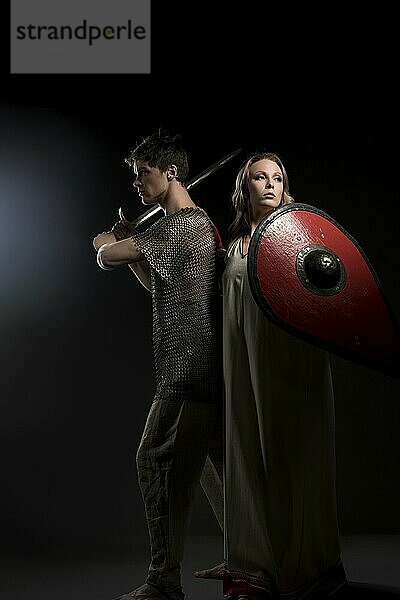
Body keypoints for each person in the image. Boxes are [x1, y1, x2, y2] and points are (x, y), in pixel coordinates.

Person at [92, 132, 224, 600]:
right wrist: (134, 244)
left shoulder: (182, 225)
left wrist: (106, 242)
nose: (136, 182)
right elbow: (156, 284)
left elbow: (108, 258)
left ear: (169, 173)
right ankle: (247, 559)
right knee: (214, 468)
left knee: (153, 462)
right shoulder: (190, 226)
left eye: (142, 172)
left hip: (187, 373)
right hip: (195, 371)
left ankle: (163, 582)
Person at [219, 152, 347, 599]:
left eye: (277, 177)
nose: (269, 184)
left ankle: (306, 567)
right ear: (245, 188)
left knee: (295, 455)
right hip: (243, 367)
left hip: (293, 367)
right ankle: (255, 570)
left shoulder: (301, 240)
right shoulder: (233, 249)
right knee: (250, 454)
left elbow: (329, 297)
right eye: (259, 177)